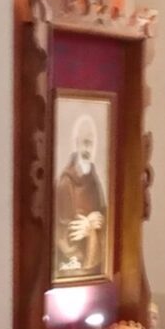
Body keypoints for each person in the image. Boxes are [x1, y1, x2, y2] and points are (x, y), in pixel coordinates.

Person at [54, 116, 107, 281]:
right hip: (72, 268)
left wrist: (98, 223)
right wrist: (84, 230)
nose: (87, 149)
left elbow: (104, 216)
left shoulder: (94, 181)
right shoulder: (65, 183)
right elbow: (60, 234)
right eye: (84, 142)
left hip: (96, 269)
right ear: (76, 144)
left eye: (91, 143)